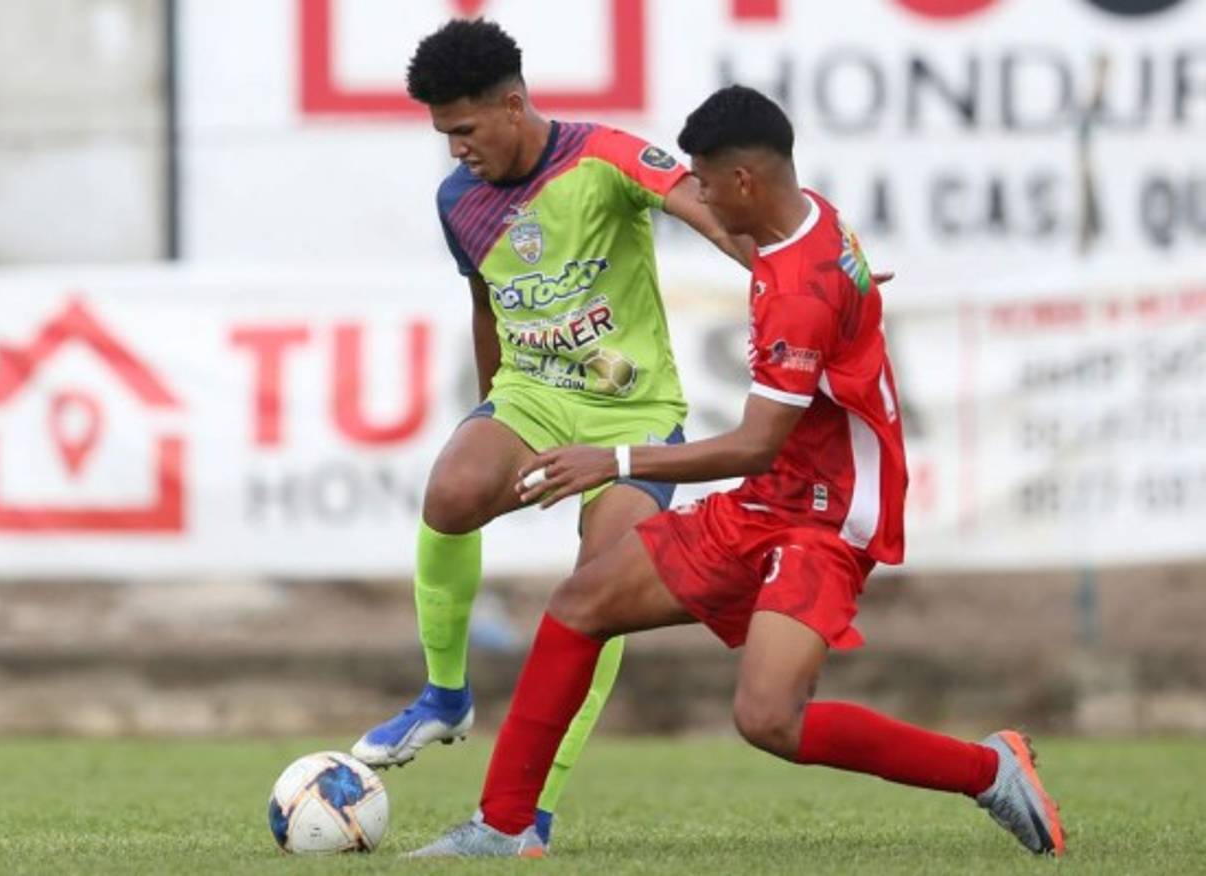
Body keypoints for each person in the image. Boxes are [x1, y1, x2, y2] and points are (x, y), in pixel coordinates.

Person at [408, 85, 1067, 860]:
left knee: (768, 720)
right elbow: (794, 301)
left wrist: (612, 461)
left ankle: (988, 770)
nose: (701, 199)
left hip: (826, 516)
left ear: (746, 181)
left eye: (709, 184)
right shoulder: (806, 220)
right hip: (770, 498)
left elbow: (755, 441)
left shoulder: (798, 293)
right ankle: (505, 824)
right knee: (581, 602)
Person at [350, 18, 757, 846]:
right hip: (532, 393)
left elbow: (703, 211)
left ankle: (530, 813)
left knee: (599, 591)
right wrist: (490, 406)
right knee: (451, 491)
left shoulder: (602, 157)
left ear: (511, 104)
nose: (455, 150)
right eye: (442, 134)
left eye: (464, 130)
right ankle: (444, 697)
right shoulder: (457, 200)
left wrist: (786, 266)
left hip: (634, 412)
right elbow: (483, 302)